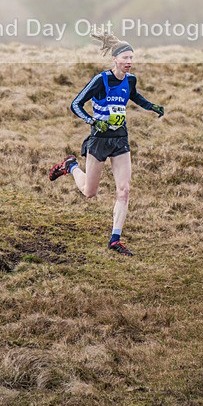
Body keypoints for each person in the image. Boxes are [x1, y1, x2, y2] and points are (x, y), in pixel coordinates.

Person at [48, 31, 164, 256]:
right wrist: (92, 121)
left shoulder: (130, 80)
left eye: (132, 58)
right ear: (115, 59)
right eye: (125, 58)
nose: (129, 62)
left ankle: (115, 239)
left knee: (124, 190)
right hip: (99, 140)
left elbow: (134, 96)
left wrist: (152, 107)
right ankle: (70, 166)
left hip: (120, 139)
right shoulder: (101, 80)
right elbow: (76, 103)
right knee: (89, 192)